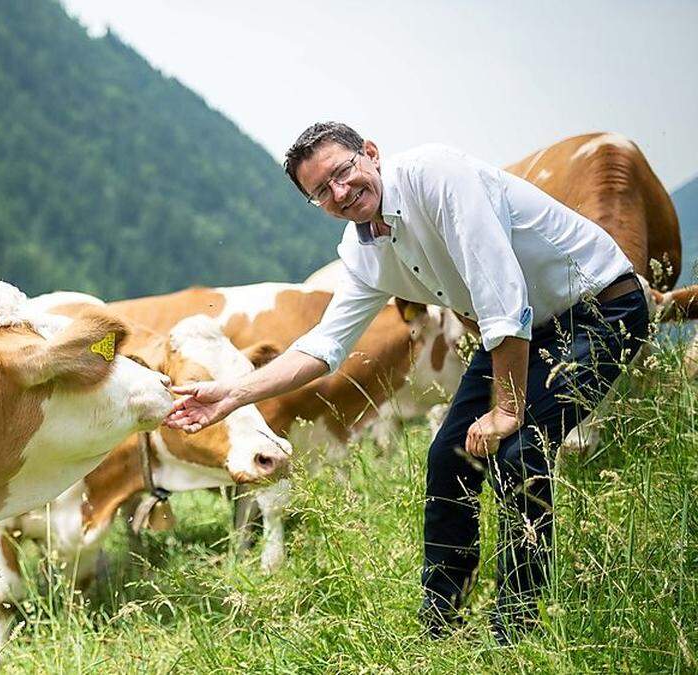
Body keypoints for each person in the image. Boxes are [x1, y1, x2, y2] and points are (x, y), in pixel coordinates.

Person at [164, 121, 649, 643]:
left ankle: (518, 629)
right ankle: (441, 625)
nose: (340, 193)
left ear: (370, 154)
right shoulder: (363, 252)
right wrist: (232, 394)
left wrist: (507, 410)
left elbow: (502, 296)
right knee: (448, 456)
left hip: (600, 308)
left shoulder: (439, 177)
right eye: (321, 192)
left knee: (518, 451)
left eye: (343, 172)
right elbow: (324, 346)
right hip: (520, 331)